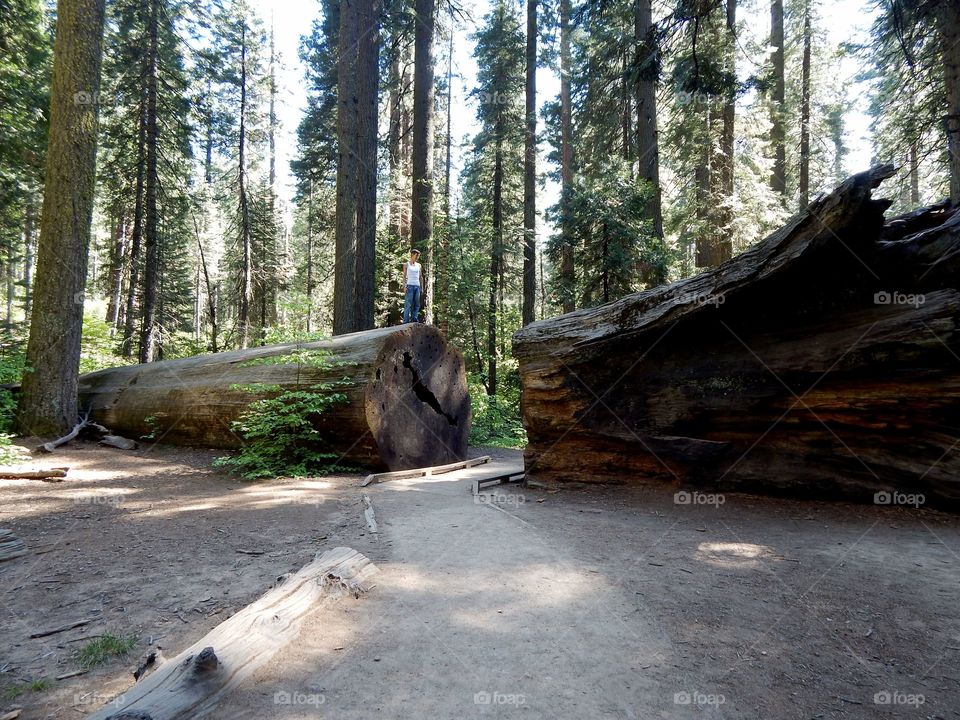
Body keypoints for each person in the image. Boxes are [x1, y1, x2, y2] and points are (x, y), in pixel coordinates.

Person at [402, 249, 423, 323]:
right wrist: (404, 286)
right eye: (416, 255)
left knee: (417, 304)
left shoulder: (419, 265)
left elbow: (420, 277)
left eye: (418, 256)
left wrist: (421, 287)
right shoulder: (406, 265)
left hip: (417, 286)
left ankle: (414, 318)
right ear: (412, 255)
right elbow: (404, 276)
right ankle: (405, 321)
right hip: (409, 286)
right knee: (408, 304)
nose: (417, 257)